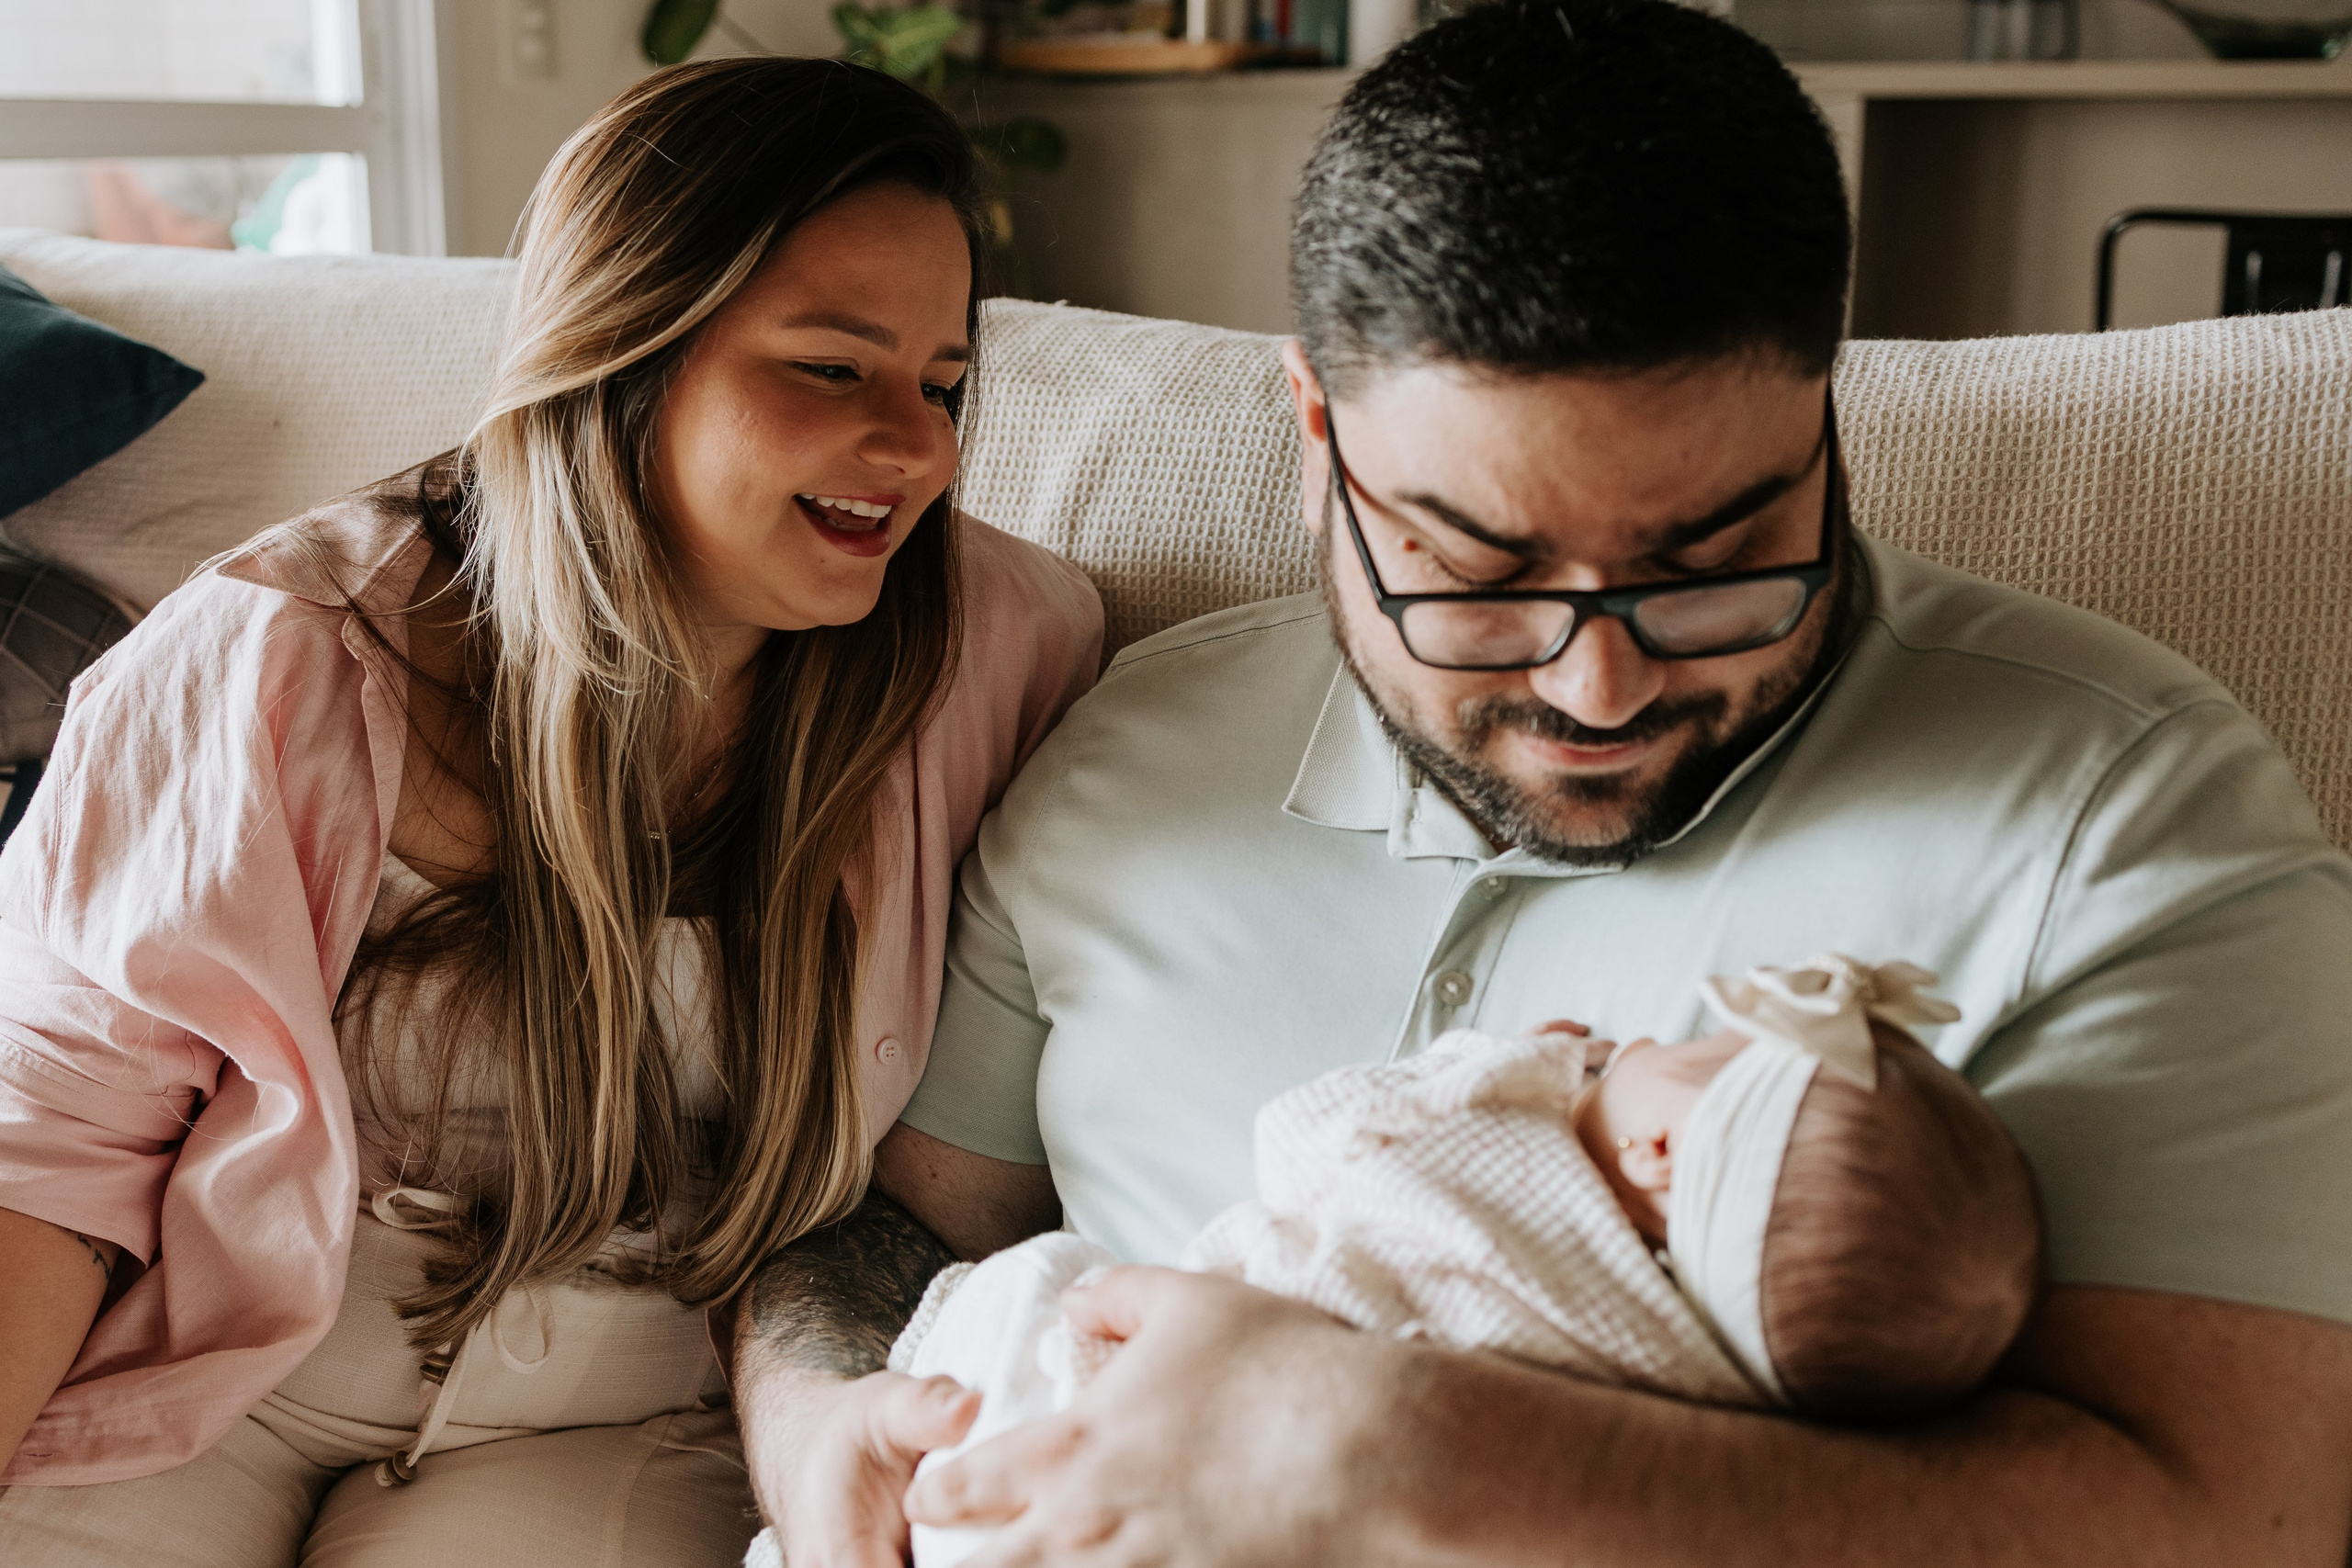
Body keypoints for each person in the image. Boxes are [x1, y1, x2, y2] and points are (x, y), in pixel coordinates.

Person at [732, 2, 2352, 1564]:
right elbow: (900, 1228)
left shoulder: (2116, 815)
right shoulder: (1123, 748)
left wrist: (1395, 1456)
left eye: (1715, 564)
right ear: (1316, 430)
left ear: (1823, 415)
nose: (1599, 688)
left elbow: (2240, 1524)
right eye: (1477, 574)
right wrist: (812, 1421)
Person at [0, 59, 1101, 1565]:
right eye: (831, 369)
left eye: (945, 384)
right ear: (620, 352)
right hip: (228, 1378)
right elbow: (50, 1146)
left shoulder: (1002, 649)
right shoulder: (276, 660)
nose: (915, 450)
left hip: (632, 1421)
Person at [738, 953, 2041, 1568]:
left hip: (1092, 1412)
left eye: (1685, 1049)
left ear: (1650, 1152)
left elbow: (1313, 1142)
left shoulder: (1497, 1166)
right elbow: (874, 1222)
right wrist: (810, 1439)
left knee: (1034, 1296)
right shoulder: (1695, 1369)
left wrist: (1523, 1067)